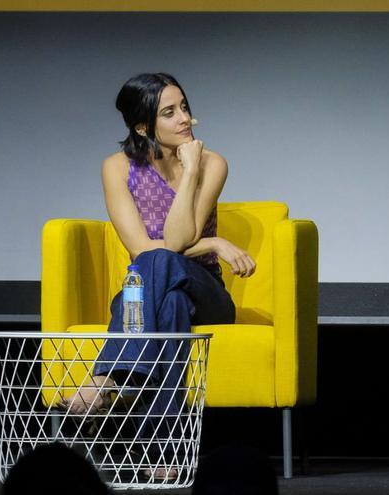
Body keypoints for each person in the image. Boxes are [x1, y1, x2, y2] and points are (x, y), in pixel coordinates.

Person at [59, 73, 255, 479]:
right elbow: (139, 249)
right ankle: (161, 452)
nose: (184, 119)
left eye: (184, 107)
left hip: (209, 295)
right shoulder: (117, 168)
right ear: (142, 126)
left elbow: (179, 239)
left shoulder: (212, 163)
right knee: (169, 301)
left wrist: (191, 171)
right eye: (170, 112)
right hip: (148, 293)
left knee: (162, 269)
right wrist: (215, 243)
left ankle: (106, 376)